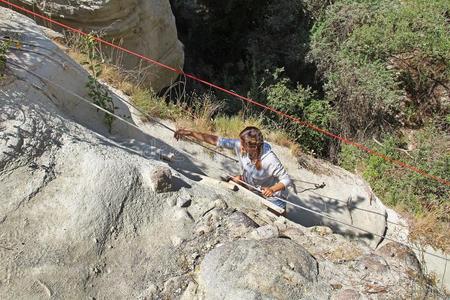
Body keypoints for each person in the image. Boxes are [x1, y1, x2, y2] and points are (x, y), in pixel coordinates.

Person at [174, 126, 293, 212]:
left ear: (254, 147)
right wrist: (190, 133)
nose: (239, 145)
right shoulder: (240, 145)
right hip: (250, 184)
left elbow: (286, 179)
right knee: (234, 181)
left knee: (277, 218)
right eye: (240, 142)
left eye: (243, 144)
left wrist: (272, 189)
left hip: (272, 197)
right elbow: (216, 140)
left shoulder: (270, 159)